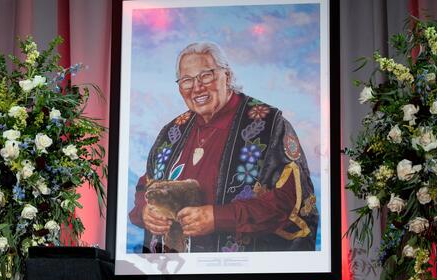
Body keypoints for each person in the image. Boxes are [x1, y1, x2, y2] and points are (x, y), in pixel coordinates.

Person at [128, 41, 319, 253]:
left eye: (206, 75)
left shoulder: (269, 125)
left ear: (227, 76)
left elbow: (290, 202)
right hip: (177, 276)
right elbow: (145, 186)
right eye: (187, 80)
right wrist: (145, 212)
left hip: (245, 277)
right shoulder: (172, 133)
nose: (197, 87)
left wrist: (218, 218)